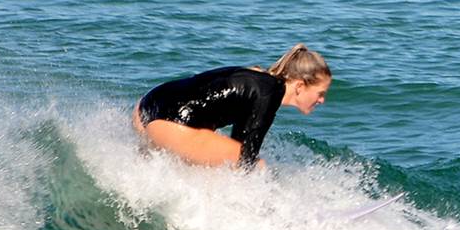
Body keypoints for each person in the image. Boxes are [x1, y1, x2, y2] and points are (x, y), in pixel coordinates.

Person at [133, 45, 331, 169]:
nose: (322, 100)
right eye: (320, 93)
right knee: (256, 166)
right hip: (169, 124)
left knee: (213, 159)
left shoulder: (259, 79)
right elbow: (246, 156)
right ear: (299, 86)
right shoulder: (269, 93)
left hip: (147, 108)